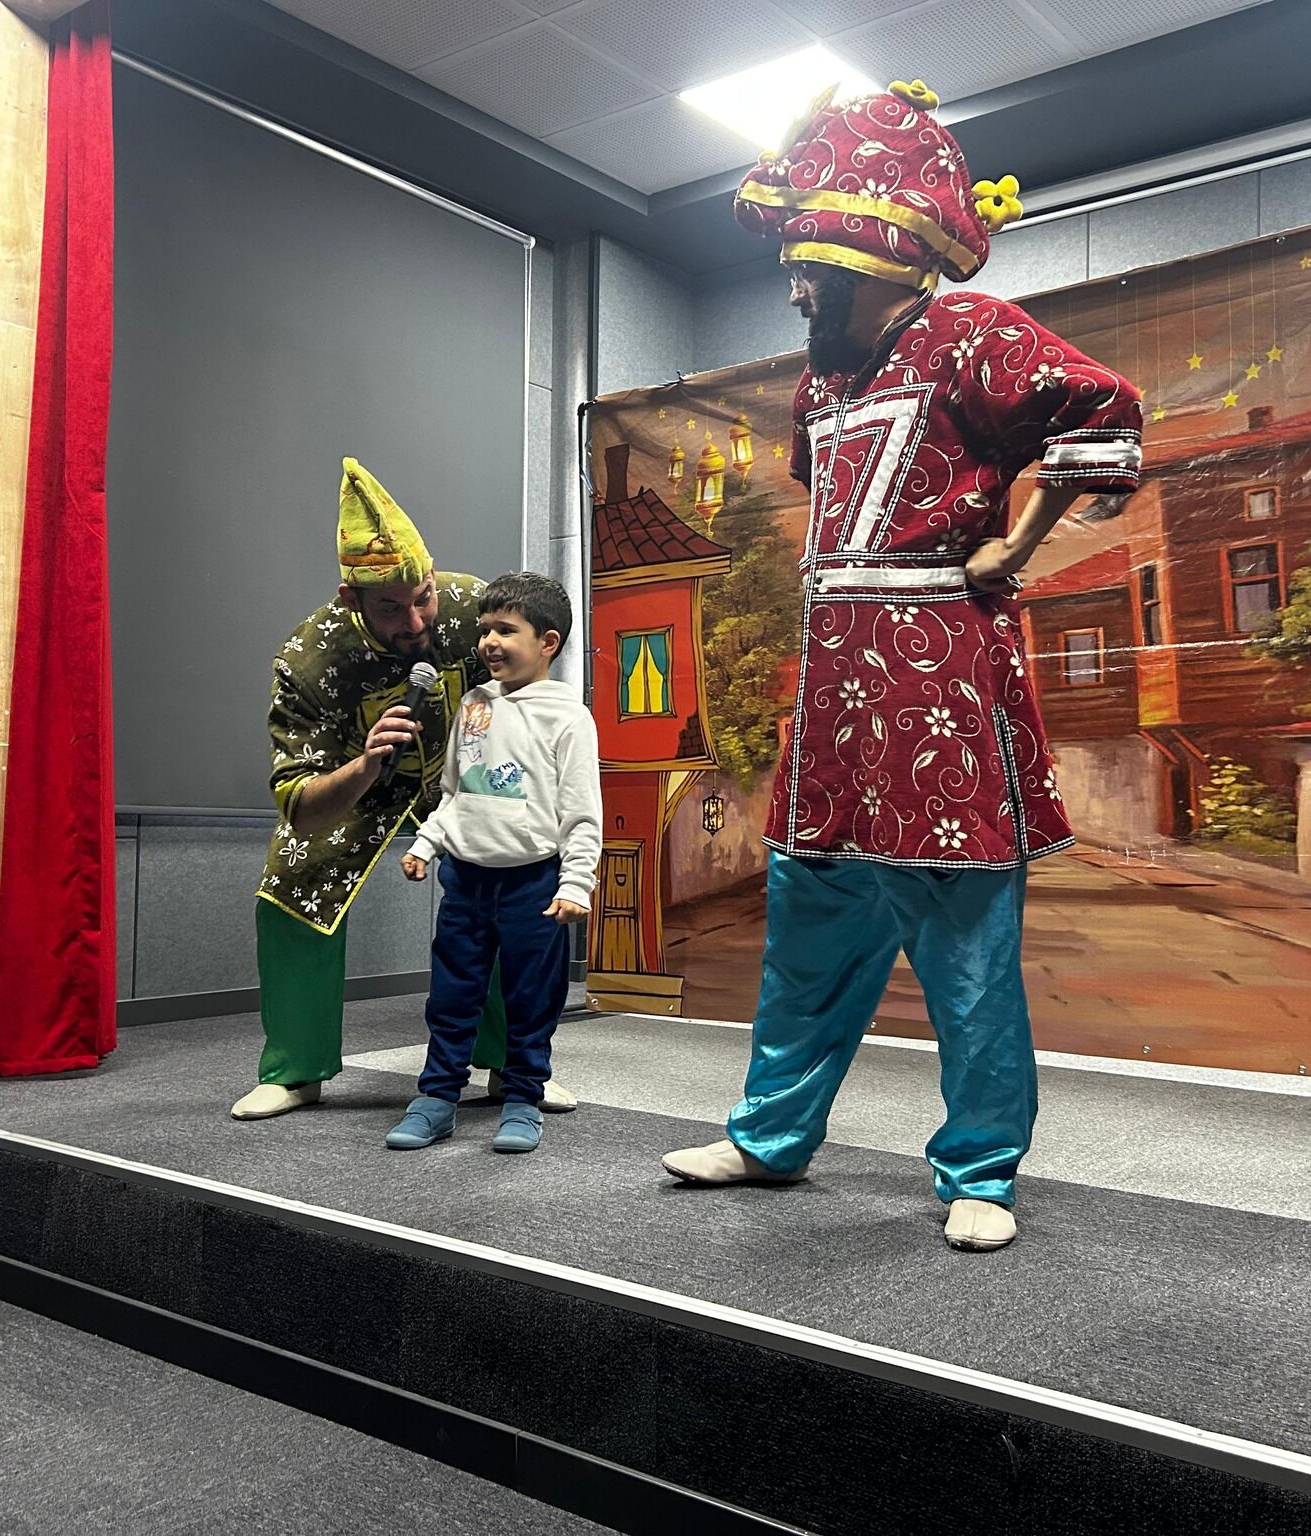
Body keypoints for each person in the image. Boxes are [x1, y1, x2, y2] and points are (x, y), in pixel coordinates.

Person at [659, 80, 1143, 1252]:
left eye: (807, 268)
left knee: (964, 944)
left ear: (867, 256)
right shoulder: (820, 377)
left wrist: (1012, 547)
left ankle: (979, 1168)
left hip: (938, 677)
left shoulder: (971, 334)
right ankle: (770, 1135)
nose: (794, 289)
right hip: (834, 685)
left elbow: (1104, 409)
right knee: (804, 926)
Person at [229, 461, 578, 1121]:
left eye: (423, 596)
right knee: (291, 886)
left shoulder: (473, 610)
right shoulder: (310, 660)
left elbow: (533, 679)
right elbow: (299, 805)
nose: (416, 620)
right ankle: (295, 1071)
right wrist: (366, 765)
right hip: (358, 786)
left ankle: (513, 1069)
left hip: (470, 774)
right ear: (351, 598)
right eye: (391, 608)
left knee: (512, 882)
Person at [386, 573, 601, 1156]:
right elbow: (457, 791)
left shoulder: (568, 717)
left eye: (506, 630)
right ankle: (436, 1098)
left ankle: (523, 1099)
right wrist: (426, 844)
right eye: (485, 630)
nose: (489, 642)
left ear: (548, 642)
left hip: (534, 883)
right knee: (452, 995)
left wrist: (576, 882)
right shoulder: (475, 704)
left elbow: (582, 813)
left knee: (532, 997)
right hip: (466, 880)